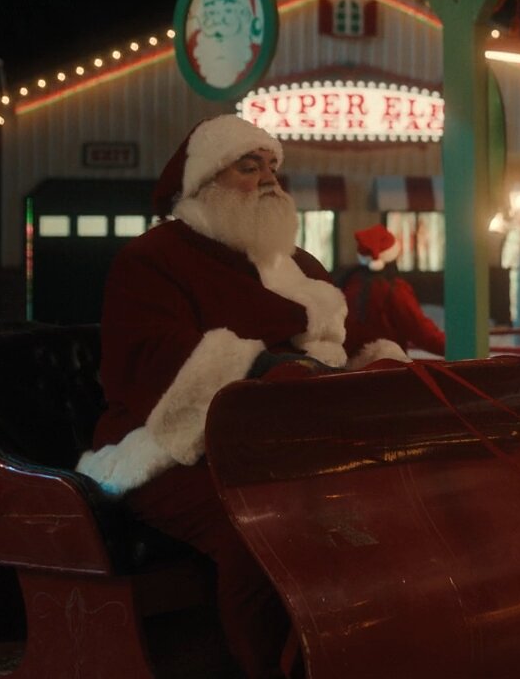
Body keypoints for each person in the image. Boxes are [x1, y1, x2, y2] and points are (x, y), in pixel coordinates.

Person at [73, 115, 367, 679]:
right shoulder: (153, 259)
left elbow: (351, 338)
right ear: (205, 182)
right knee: (262, 525)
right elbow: (157, 361)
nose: (268, 180)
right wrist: (270, 372)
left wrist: (381, 364)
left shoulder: (298, 266)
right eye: (248, 167)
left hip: (290, 440)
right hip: (168, 445)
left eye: (272, 167)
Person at [341, 223, 445, 359]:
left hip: (350, 365)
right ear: (392, 255)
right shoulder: (394, 289)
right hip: (386, 365)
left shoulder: (348, 283)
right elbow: (420, 331)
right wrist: (456, 348)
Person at [188, 0, 265, 88]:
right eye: (212, 13)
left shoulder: (258, 54)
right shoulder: (192, 50)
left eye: (228, 11)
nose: (218, 26)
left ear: (244, 16)